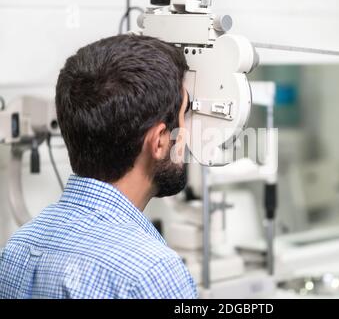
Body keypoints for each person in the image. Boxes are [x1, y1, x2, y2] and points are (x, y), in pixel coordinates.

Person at [0, 34, 198, 299]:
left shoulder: (16, 249)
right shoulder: (151, 273)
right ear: (160, 141)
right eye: (184, 117)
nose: (186, 135)